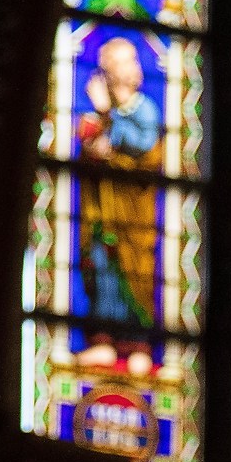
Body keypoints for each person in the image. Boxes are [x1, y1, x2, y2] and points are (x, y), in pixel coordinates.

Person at [78, 36, 165, 328]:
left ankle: (136, 340)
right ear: (109, 71)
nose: (133, 66)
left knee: (136, 270)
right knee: (103, 266)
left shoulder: (145, 109)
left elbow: (144, 145)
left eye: (133, 59)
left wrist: (107, 117)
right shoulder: (102, 115)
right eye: (124, 61)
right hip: (104, 211)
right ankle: (104, 337)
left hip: (135, 216)